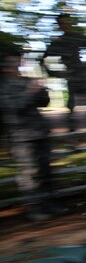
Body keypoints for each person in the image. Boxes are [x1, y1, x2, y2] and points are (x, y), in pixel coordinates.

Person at [0, 49, 59, 221]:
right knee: (29, 173)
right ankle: (34, 208)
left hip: (39, 130)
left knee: (46, 170)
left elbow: (45, 102)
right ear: (4, 67)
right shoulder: (3, 86)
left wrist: (42, 90)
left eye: (17, 62)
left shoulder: (26, 81)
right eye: (11, 63)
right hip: (20, 135)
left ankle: (51, 203)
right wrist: (29, 92)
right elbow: (12, 107)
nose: (16, 66)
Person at [40, 13, 86, 132]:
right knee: (71, 104)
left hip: (83, 75)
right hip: (71, 76)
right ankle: (72, 130)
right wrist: (54, 73)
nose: (66, 25)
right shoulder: (58, 42)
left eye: (68, 22)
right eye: (63, 23)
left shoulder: (78, 37)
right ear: (59, 26)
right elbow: (43, 60)